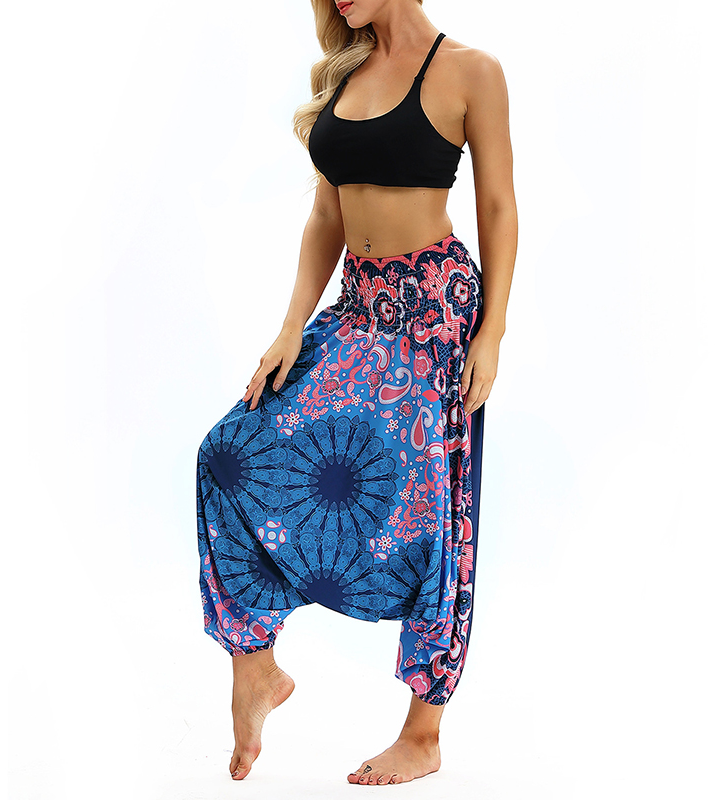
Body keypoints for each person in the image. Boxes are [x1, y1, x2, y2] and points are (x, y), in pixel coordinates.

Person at [195, 0, 517, 786]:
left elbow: (499, 205)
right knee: (228, 454)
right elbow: (325, 216)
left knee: (436, 515)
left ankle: (424, 732)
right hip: (358, 306)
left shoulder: (471, 71)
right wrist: (290, 328)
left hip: (433, 313)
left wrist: (494, 332)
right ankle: (256, 667)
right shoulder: (344, 74)